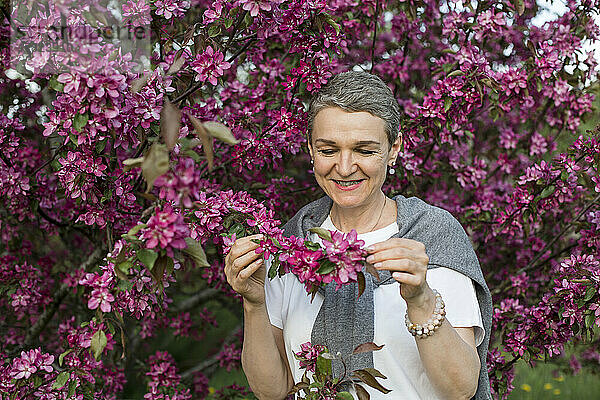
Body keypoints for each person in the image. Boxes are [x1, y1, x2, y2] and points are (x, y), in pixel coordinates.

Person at [224, 71, 493, 400]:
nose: (345, 166)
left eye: (364, 150)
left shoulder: (432, 236)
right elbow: (273, 390)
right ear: (310, 149)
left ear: (393, 149)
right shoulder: (294, 241)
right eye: (328, 150)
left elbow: (460, 389)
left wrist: (421, 299)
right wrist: (254, 303)